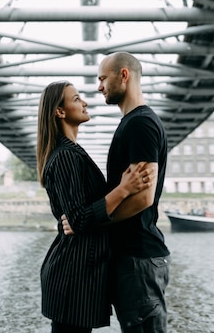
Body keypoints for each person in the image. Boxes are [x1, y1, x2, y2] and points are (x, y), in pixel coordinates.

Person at [64, 52, 170, 332]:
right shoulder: (132, 123)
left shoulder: (140, 124)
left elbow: (143, 198)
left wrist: (90, 222)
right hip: (134, 257)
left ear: (123, 75)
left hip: (138, 256)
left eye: (102, 78)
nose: (98, 87)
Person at [36, 80, 154, 333]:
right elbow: (77, 220)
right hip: (73, 274)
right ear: (60, 112)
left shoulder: (71, 152)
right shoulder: (66, 155)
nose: (85, 102)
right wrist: (123, 189)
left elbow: (74, 213)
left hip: (78, 270)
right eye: (76, 99)